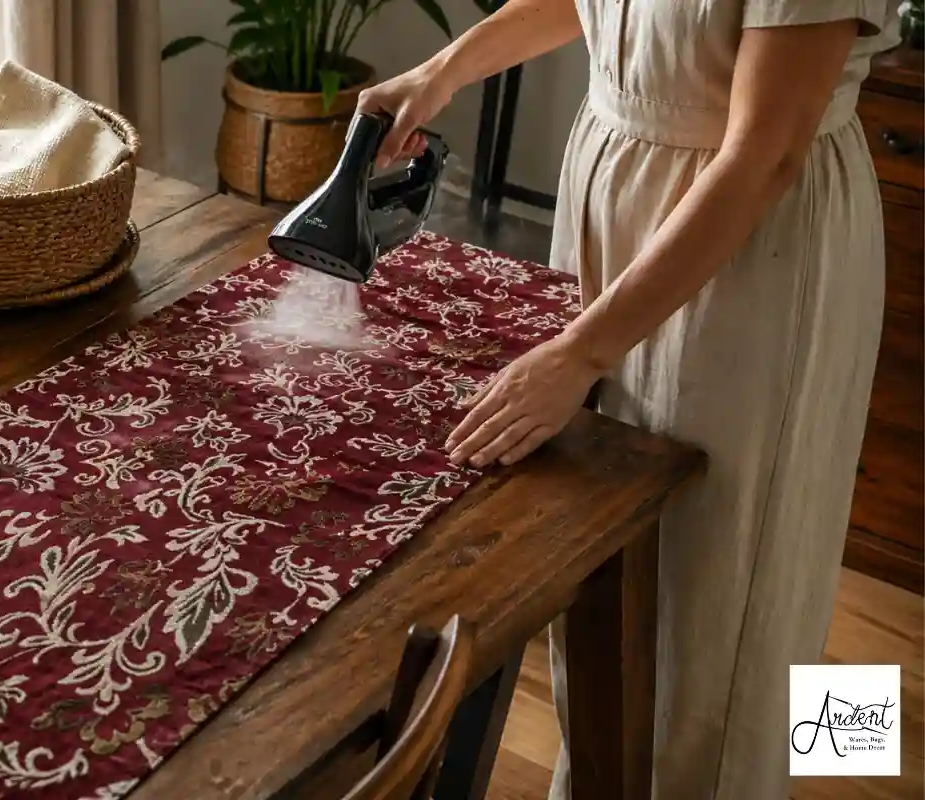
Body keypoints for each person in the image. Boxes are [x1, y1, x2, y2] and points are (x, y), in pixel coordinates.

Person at [356, 1, 899, 798]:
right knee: (602, 565)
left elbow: (766, 154)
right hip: (614, 198)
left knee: (719, 592)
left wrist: (581, 351)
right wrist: (441, 73)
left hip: (747, 245)